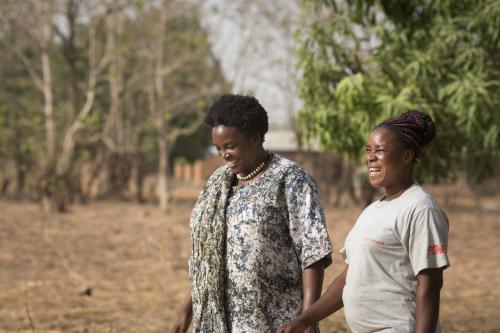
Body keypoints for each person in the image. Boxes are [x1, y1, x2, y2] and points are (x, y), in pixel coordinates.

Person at [171, 94, 333, 332]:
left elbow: (313, 252)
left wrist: (307, 319)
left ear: (256, 137)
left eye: (231, 146)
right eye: (218, 148)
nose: (224, 155)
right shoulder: (218, 182)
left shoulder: (289, 178)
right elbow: (208, 260)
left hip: (275, 320)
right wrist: (186, 312)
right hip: (219, 323)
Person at [278, 110, 450, 333]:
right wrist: (303, 320)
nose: (370, 157)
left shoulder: (420, 208)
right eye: (368, 150)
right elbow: (348, 278)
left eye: (380, 151)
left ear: (407, 156)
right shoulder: (373, 210)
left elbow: (430, 287)